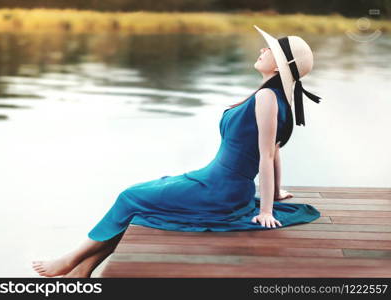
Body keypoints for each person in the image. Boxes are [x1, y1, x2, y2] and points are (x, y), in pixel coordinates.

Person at [32, 25, 322, 278]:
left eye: (269, 49)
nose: (261, 48)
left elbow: (269, 154)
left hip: (220, 190)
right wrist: (277, 191)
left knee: (130, 196)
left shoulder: (267, 97)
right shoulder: (271, 95)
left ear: (279, 66)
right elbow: (275, 150)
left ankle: (69, 260)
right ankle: (83, 269)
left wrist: (267, 210)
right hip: (212, 181)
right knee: (143, 196)